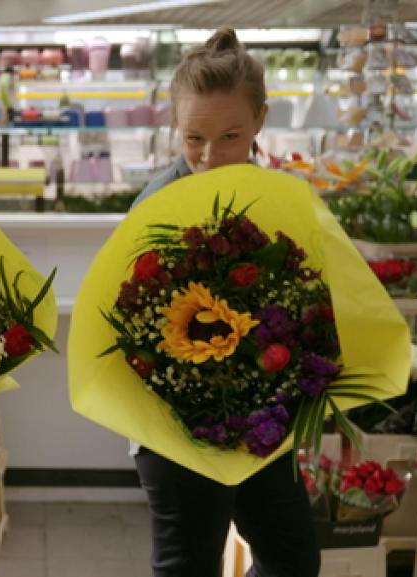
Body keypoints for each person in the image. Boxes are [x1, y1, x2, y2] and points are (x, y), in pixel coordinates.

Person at [129, 28, 321, 577]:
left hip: (262, 420)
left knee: (293, 560)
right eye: (194, 139)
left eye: (230, 137)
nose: (209, 158)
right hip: (176, 427)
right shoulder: (157, 207)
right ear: (174, 124)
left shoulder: (278, 199)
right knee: (189, 567)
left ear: (261, 120)